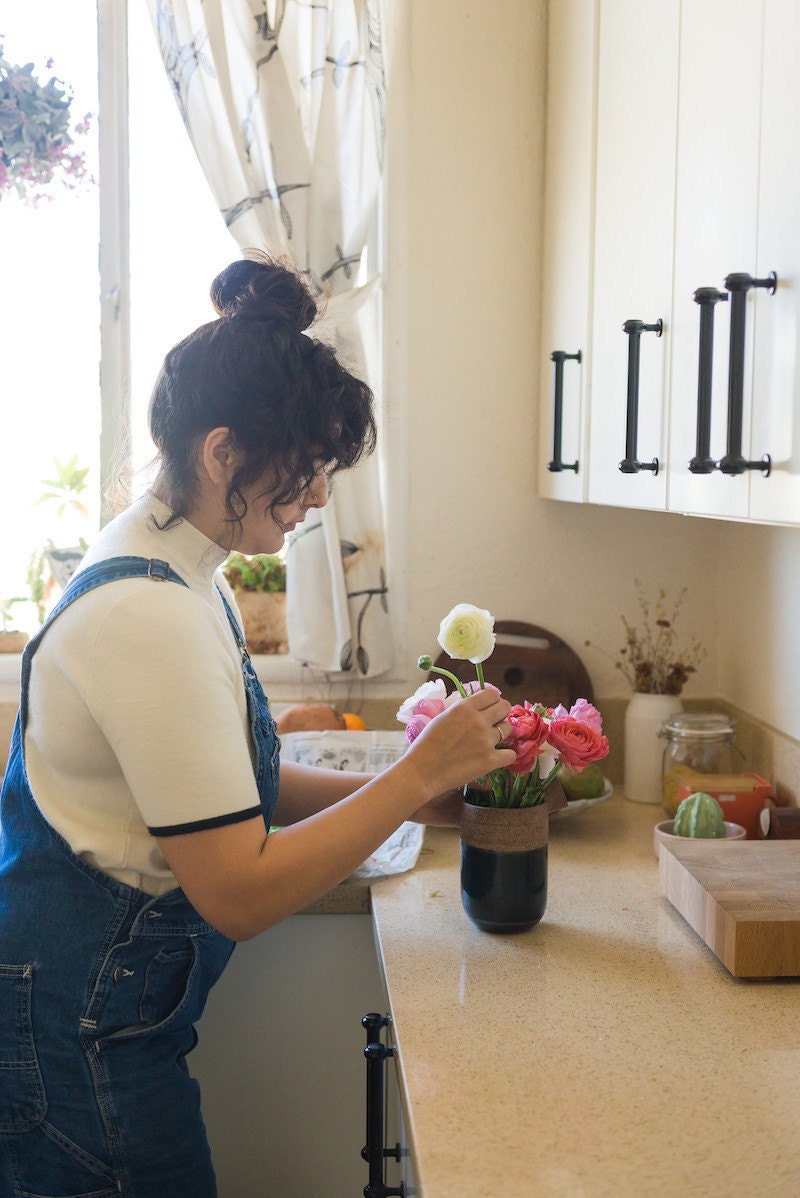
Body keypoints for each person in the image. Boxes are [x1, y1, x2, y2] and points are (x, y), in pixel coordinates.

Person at [0, 250, 514, 1198]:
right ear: (222, 452)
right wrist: (411, 777)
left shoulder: (179, 565)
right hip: (79, 1038)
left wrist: (418, 798)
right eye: (308, 466)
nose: (321, 494)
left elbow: (232, 784)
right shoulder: (146, 614)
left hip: (92, 1016)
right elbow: (238, 889)